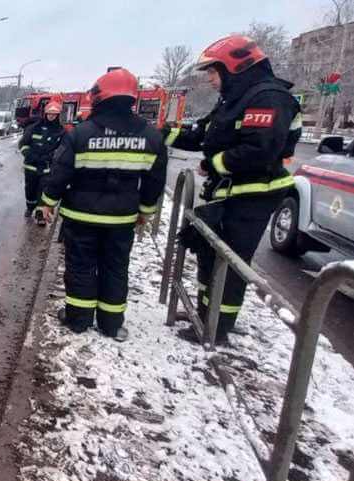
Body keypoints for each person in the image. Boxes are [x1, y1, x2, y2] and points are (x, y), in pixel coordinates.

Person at [165, 35, 301, 345]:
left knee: (230, 260)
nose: (211, 80)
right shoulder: (234, 100)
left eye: (213, 72)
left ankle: (218, 327)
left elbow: (259, 150)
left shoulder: (268, 97)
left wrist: (213, 165)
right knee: (209, 253)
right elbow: (201, 134)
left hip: (252, 197)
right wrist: (159, 134)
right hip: (227, 194)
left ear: (235, 67)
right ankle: (204, 312)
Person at [38, 69, 167, 341]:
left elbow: (61, 172)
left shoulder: (81, 134)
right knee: (116, 267)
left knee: (81, 266)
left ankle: (78, 319)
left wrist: (47, 203)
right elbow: (155, 181)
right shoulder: (151, 136)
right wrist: (145, 210)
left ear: (98, 97)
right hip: (122, 219)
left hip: (81, 216)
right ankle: (111, 324)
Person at [18, 98, 66, 220]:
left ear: (58, 115)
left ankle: (40, 216)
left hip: (46, 169)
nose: (51, 116)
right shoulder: (34, 128)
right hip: (31, 166)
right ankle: (30, 207)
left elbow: (61, 150)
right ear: (45, 113)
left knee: (43, 192)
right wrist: (29, 155)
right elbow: (23, 144)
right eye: (49, 113)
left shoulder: (61, 132)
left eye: (54, 114)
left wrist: (49, 158)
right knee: (30, 191)